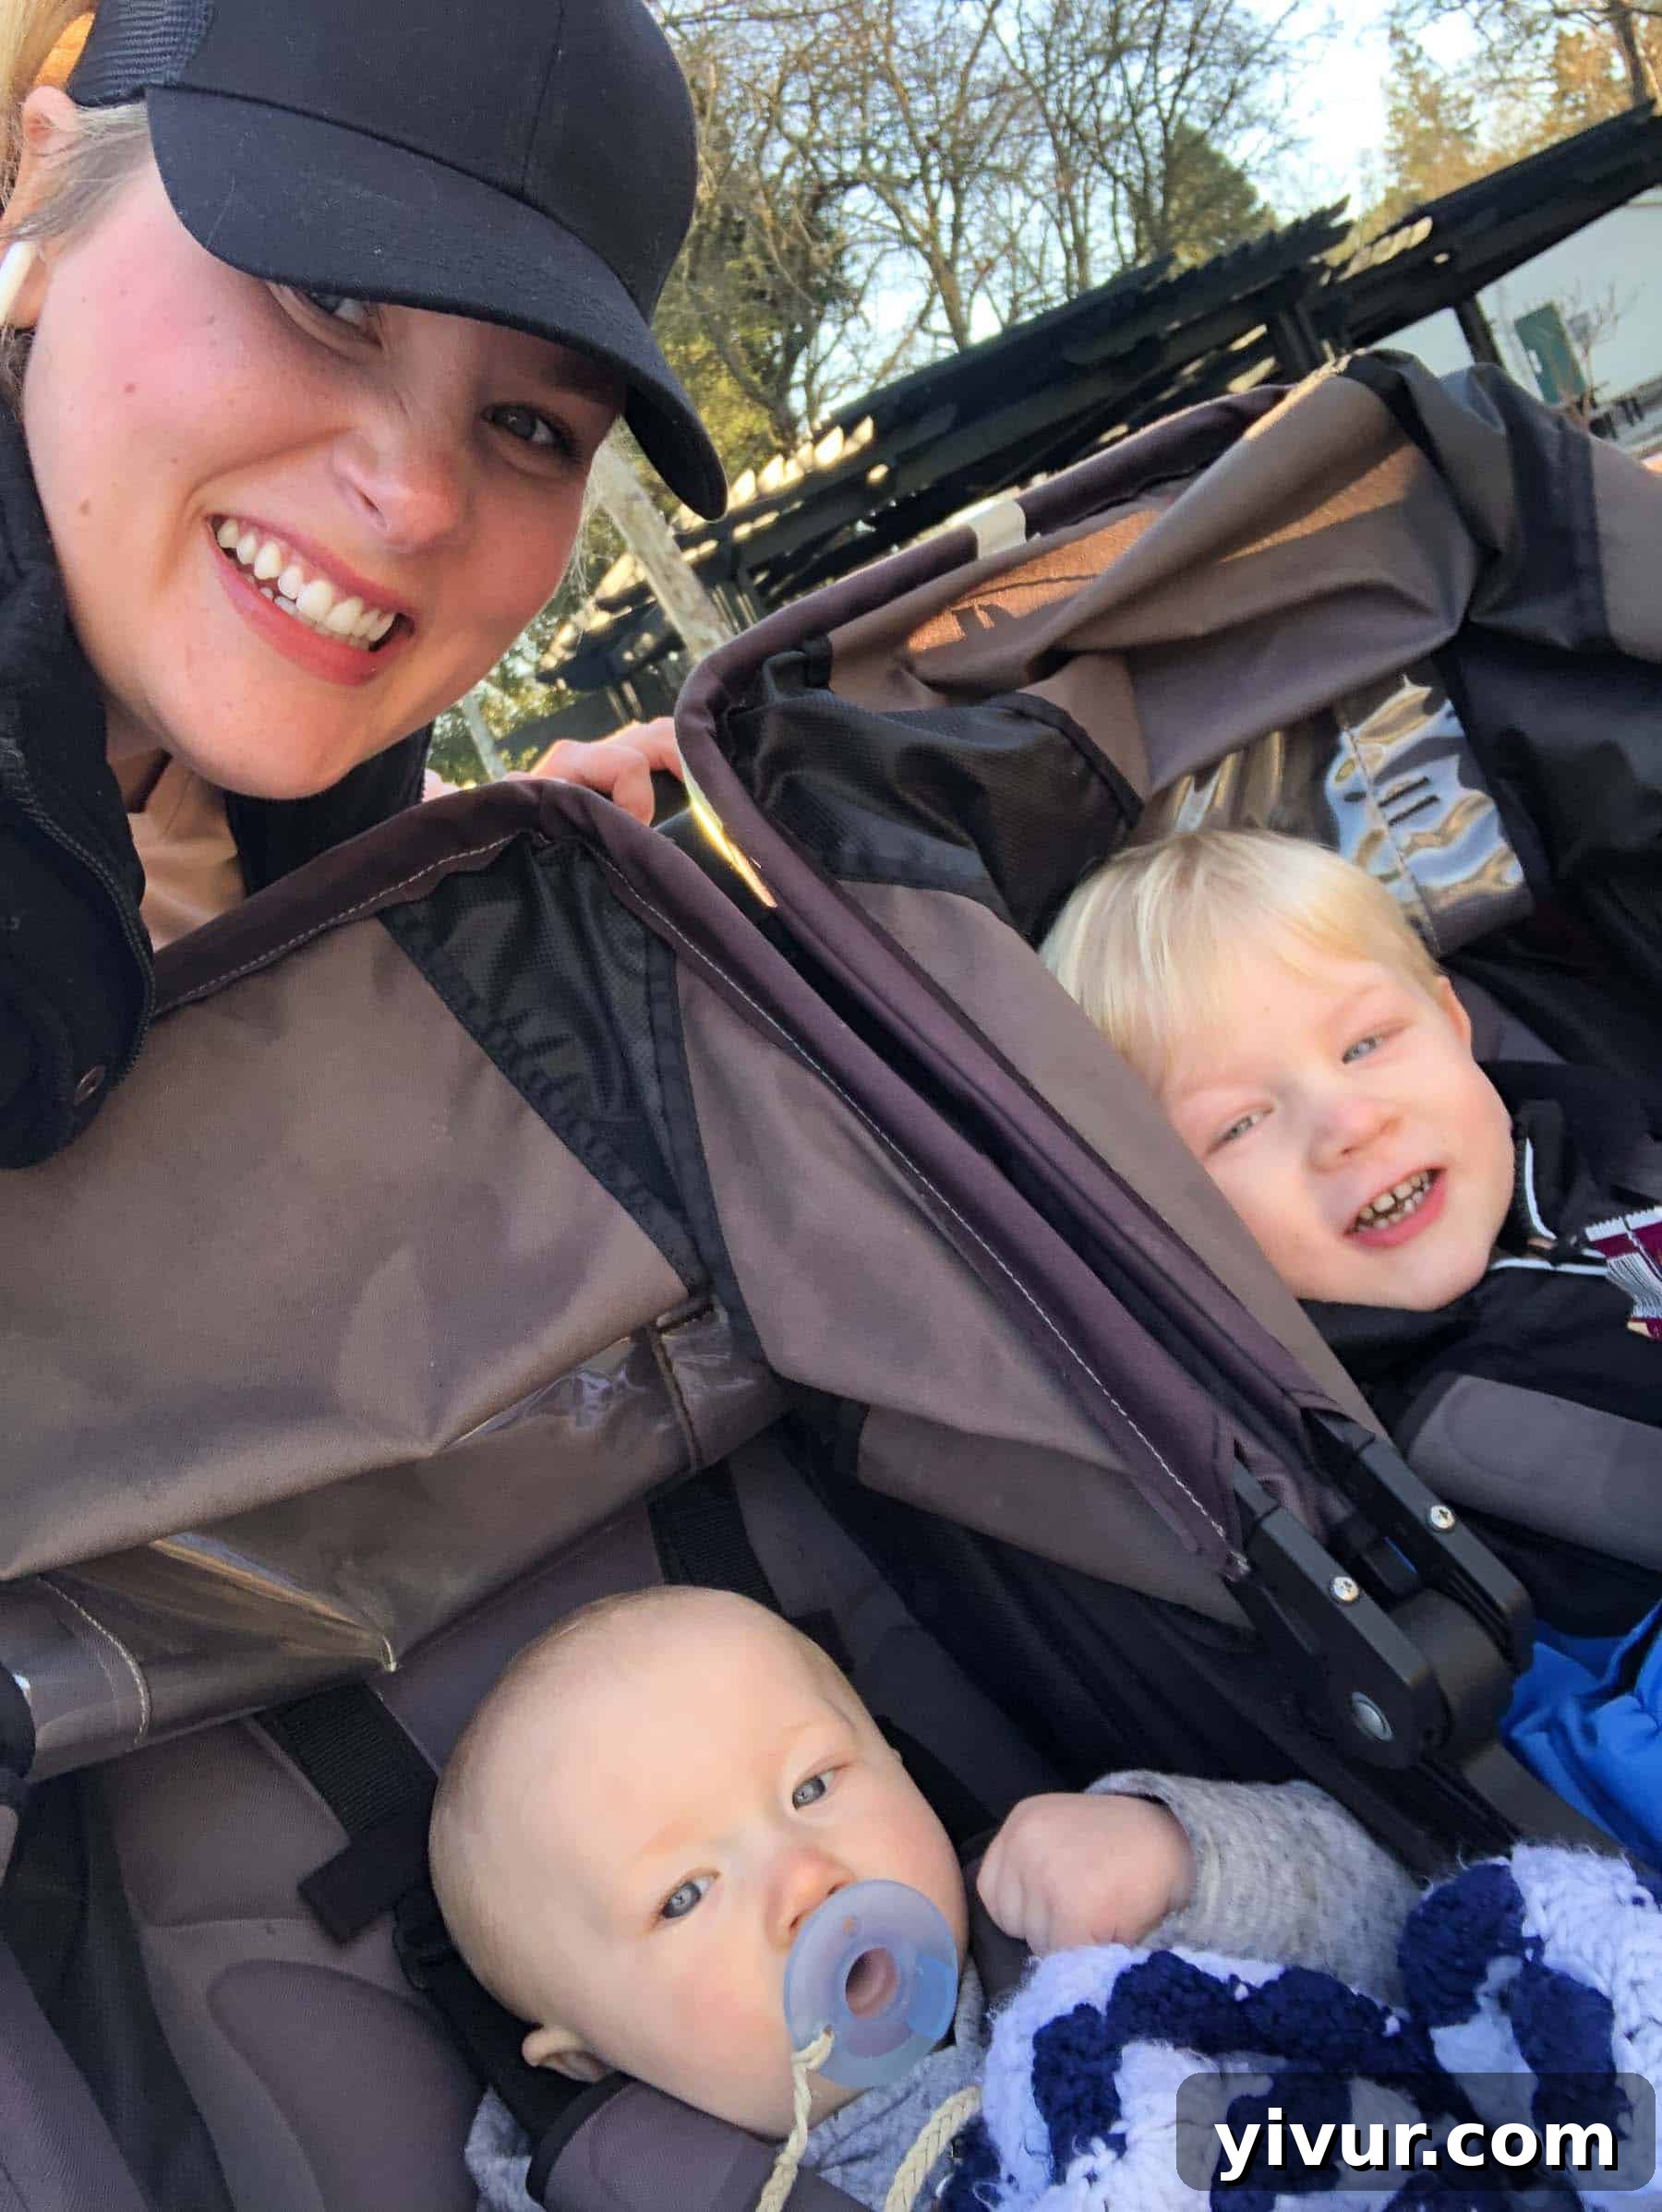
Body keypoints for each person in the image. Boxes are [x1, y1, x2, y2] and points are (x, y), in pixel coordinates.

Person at [0, 0, 721, 1170]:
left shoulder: (328, 817)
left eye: (531, 424)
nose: (422, 497)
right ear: (43, 192)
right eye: (326, 298)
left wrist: (448, 869)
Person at [1041, 826, 1662, 1859]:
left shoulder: (1611, 1150)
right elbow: (1560, 1769)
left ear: (1454, 1019)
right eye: (1238, 1124)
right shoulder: (1354, 1478)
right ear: (1170, 1217)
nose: (1348, 1123)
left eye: (1367, 1043)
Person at [429, 1585, 1426, 2212]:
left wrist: (1180, 1854)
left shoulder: (1061, 1914)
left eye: (813, 1786)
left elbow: (1400, 1923)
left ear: (903, 1769)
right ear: (591, 2057)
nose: (807, 1875)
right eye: (685, 1893)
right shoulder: (641, 2186)